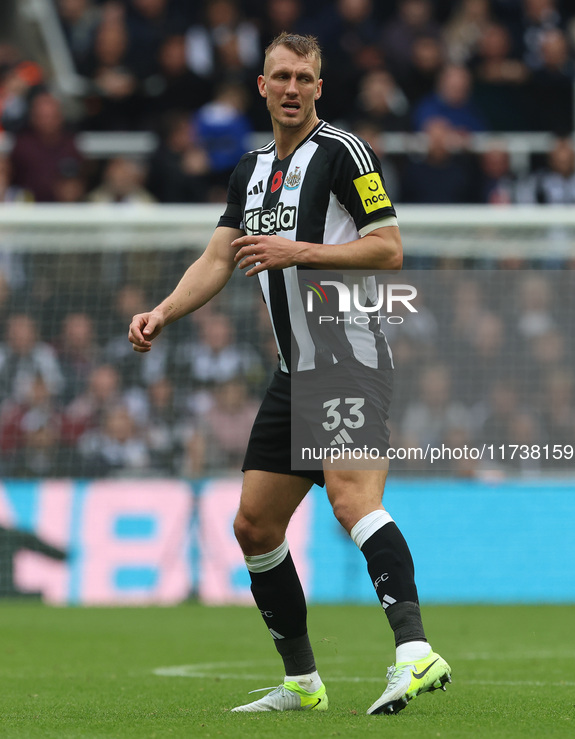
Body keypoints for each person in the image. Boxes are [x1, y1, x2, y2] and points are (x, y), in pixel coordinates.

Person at [128, 32, 451, 716]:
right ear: (262, 85)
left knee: (350, 498)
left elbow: (388, 248)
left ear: (319, 87)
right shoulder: (247, 171)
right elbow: (219, 258)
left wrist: (297, 251)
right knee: (254, 525)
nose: (292, 87)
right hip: (292, 370)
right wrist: (163, 310)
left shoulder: (342, 152)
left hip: (347, 355)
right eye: (281, 75)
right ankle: (303, 681)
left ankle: (414, 653)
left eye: (304, 76)